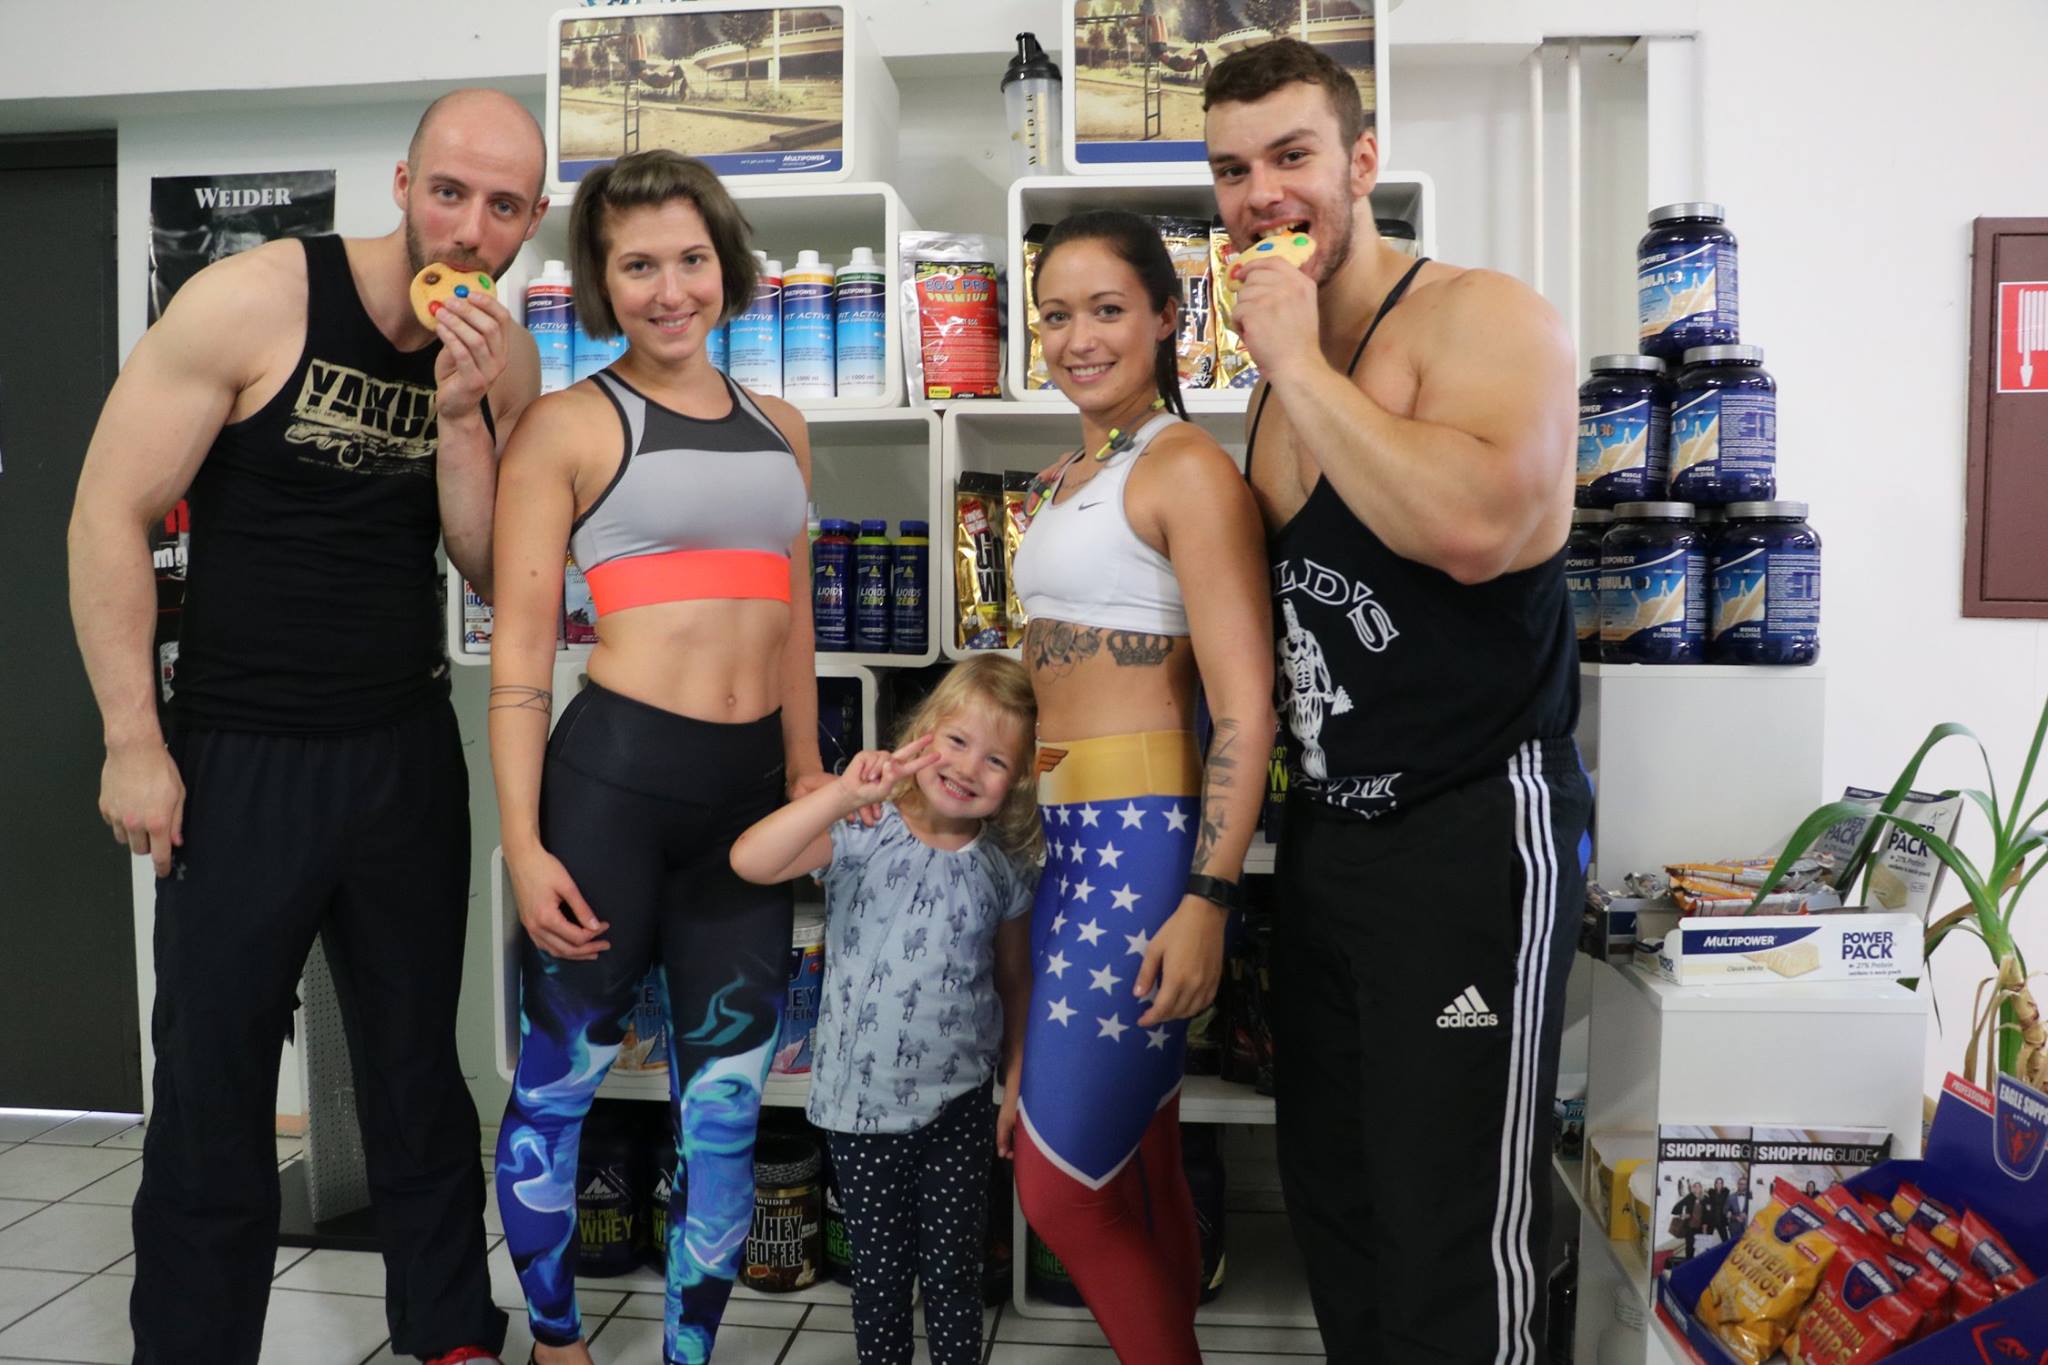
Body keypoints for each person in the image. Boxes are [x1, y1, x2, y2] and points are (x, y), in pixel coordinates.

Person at [67, 88, 546, 1365]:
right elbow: (108, 512)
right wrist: (132, 737)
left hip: (402, 750)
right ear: (402, 185)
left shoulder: (504, 359)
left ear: (532, 220)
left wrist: (464, 414)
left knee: (415, 1068)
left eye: (503, 206)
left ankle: (448, 1333)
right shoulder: (251, 302)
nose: (471, 226)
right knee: (213, 1082)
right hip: (240, 756)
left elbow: (488, 566)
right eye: (450, 191)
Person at [1202, 38, 1592, 1363]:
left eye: (1291, 156)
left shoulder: (1483, 319)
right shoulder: (1272, 386)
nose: (1261, 194)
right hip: (1331, 840)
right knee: (1343, 1207)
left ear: (1361, 162)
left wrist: (1299, 368)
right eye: (1232, 171)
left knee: (1454, 1231)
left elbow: (1475, 530)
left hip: (1473, 825)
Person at [487, 148, 826, 1365]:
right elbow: (521, 657)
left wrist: (806, 774)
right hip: (610, 793)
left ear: (725, 265)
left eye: (690, 259)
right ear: (601, 281)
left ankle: (690, 1355)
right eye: (638, 266)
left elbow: (793, 623)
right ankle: (558, 1341)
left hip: (745, 806)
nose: (669, 289)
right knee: (557, 1088)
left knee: (727, 1112)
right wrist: (522, 847)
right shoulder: (567, 426)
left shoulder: (782, 428)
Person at [1007, 209, 1275, 1363]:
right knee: (1138, 1168)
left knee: (1059, 1194)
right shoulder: (1077, 470)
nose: (1077, 338)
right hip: (1063, 840)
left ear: (1168, 317)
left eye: (1106, 310)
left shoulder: (1187, 471)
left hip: (1139, 845)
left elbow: (1245, 705)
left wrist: (1207, 897)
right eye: (1055, 315)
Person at [730, 656, 1041, 1365]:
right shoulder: (862, 830)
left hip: (961, 1108)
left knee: (956, 1277)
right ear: (921, 733)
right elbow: (751, 859)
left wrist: (1016, 1084)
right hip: (861, 1110)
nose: (968, 767)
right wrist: (842, 792)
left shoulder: (1003, 867)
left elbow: (1014, 981)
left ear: (1019, 778)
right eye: (956, 741)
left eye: (995, 759)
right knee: (880, 1282)